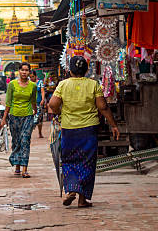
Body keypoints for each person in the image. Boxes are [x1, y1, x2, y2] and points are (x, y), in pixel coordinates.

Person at [48, 56, 120, 208]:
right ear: (87, 70)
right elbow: (103, 107)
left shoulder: (63, 84)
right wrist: (113, 125)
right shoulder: (93, 84)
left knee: (69, 160)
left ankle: (72, 189)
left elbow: (52, 104)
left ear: (69, 70)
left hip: (69, 129)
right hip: (89, 129)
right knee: (87, 162)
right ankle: (82, 199)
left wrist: (59, 114)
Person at [1, 62, 37, 178]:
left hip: (27, 116)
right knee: (16, 141)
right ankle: (17, 166)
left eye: (27, 70)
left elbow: (33, 101)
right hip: (14, 116)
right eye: (22, 70)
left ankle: (25, 169)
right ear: (19, 71)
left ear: (29, 72)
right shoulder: (12, 84)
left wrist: (35, 111)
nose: (24, 72)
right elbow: (8, 102)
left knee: (25, 140)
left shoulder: (33, 86)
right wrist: (4, 118)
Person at [35, 72, 46, 138]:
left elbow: (42, 91)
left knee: (39, 118)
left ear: (35, 76)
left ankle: (40, 132)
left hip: (39, 103)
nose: (32, 78)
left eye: (33, 76)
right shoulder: (28, 83)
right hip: (30, 103)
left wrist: (43, 99)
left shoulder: (40, 82)